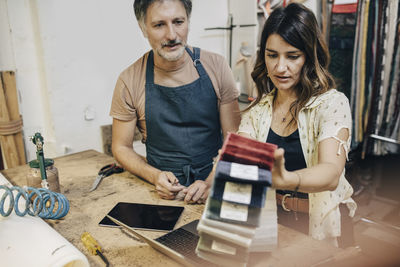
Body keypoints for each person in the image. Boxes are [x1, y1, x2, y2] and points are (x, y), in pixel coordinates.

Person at [237, 3, 357, 247]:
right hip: (271, 225)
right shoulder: (257, 112)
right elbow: (244, 170)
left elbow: (330, 173)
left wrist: (285, 179)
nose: (280, 68)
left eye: (292, 56)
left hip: (322, 226)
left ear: (310, 57)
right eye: (272, 55)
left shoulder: (332, 104)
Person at [110, 0, 240, 204]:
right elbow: (121, 147)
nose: (171, 35)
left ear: (188, 21)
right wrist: (154, 176)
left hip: (215, 186)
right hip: (162, 194)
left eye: (178, 22)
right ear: (143, 28)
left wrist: (210, 182)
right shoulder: (129, 80)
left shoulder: (217, 66)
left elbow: (235, 141)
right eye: (159, 25)